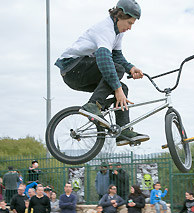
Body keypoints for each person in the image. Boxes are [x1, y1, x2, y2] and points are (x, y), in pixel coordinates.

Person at [54, 0, 149, 146]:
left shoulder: (118, 32)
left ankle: (123, 131)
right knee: (116, 72)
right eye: (129, 23)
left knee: (123, 88)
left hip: (81, 72)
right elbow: (105, 60)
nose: (130, 28)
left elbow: (116, 56)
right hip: (72, 68)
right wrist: (116, 89)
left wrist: (131, 68)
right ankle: (93, 105)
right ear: (119, 16)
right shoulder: (106, 29)